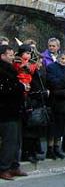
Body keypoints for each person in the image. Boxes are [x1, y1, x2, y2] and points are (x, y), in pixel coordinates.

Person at [0, 45, 28, 181]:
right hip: (6, 111)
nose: (13, 57)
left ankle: (14, 165)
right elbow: (6, 89)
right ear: (2, 56)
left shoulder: (10, 69)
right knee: (9, 141)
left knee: (17, 141)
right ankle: (4, 168)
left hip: (15, 110)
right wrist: (21, 86)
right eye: (10, 55)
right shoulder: (2, 71)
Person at [46, 50, 65, 159]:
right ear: (58, 58)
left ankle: (57, 147)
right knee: (53, 126)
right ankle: (50, 149)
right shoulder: (51, 67)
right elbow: (53, 82)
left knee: (61, 126)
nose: (64, 61)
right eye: (63, 59)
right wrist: (64, 84)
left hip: (64, 101)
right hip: (54, 99)